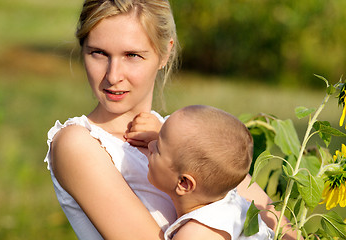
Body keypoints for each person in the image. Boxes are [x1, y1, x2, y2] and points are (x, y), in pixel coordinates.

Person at [44, 1, 295, 239]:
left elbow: (285, 229)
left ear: (165, 52)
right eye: (98, 53)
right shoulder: (77, 144)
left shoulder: (189, 138)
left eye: (132, 55)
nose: (113, 75)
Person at [147, 105, 274, 240]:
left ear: (184, 183)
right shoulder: (230, 203)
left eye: (158, 148)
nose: (149, 145)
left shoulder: (196, 234)